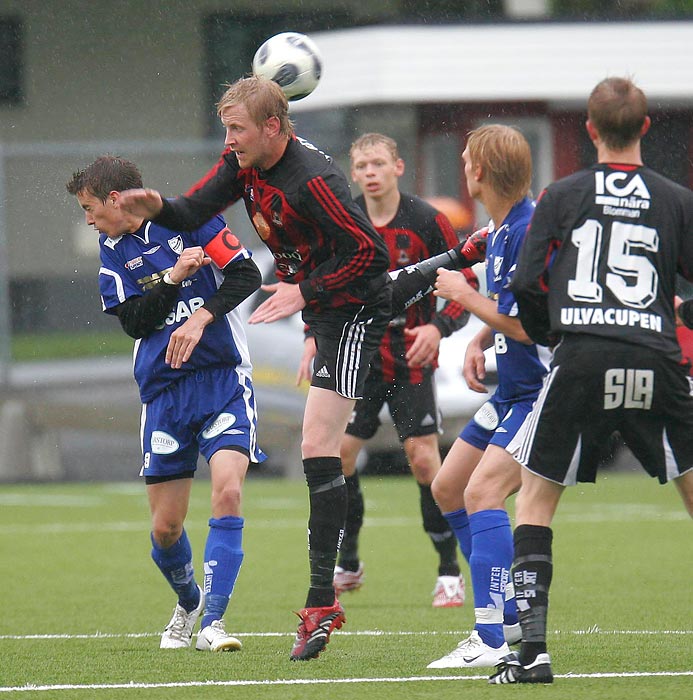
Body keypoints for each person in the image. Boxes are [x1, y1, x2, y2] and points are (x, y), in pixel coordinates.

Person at [116, 76, 393, 661]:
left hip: (355, 308)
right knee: (319, 448)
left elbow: (372, 255)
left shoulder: (314, 180)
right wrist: (157, 206)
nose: (229, 139)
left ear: (273, 127)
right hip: (325, 308)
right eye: (226, 128)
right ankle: (323, 601)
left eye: (237, 128)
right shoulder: (245, 162)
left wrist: (305, 293)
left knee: (320, 447)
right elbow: (195, 207)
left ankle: (323, 601)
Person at [488, 77, 693, 685]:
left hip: (580, 357)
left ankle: (532, 653)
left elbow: (527, 282)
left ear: (590, 129)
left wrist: (551, 333)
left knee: (535, 496)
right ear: (647, 128)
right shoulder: (676, 199)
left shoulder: (564, 193)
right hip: (655, 357)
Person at [66, 155, 266, 653]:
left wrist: (201, 318)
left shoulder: (189, 218)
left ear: (115, 199)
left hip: (222, 379)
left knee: (228, 491)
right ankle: (188, 602)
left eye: (90, 207)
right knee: (165, 528)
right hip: (165, 394)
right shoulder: (112, 251)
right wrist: (174, 279)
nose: (88, 219)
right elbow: (135, 322)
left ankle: (214, 624)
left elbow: (246, 276)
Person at [296, 133, 478, 606]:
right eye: (363, 165)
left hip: (410, 360)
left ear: (398, 167)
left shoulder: (427, 220)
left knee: (423, 461)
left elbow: (463, 281)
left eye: (380, 163)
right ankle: (349, 562)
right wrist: (311, 336)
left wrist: (438, 327)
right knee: (339, 457)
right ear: (352, 173)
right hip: (359, 355)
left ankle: (448, 571)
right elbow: (321, 286)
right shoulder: (345, 219)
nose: (371, 172)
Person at [422, 125, 548, 669]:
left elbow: (530, 328)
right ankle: (508, 610)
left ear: (480, 172)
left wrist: (466, 295)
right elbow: (512, 314)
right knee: (448, 486)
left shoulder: (526, 230)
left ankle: (492, 631)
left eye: (468, 160)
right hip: (512, 388)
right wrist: (481, 334)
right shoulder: (501, 227)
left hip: (542, 393)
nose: (464, 167)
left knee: (482, 493)